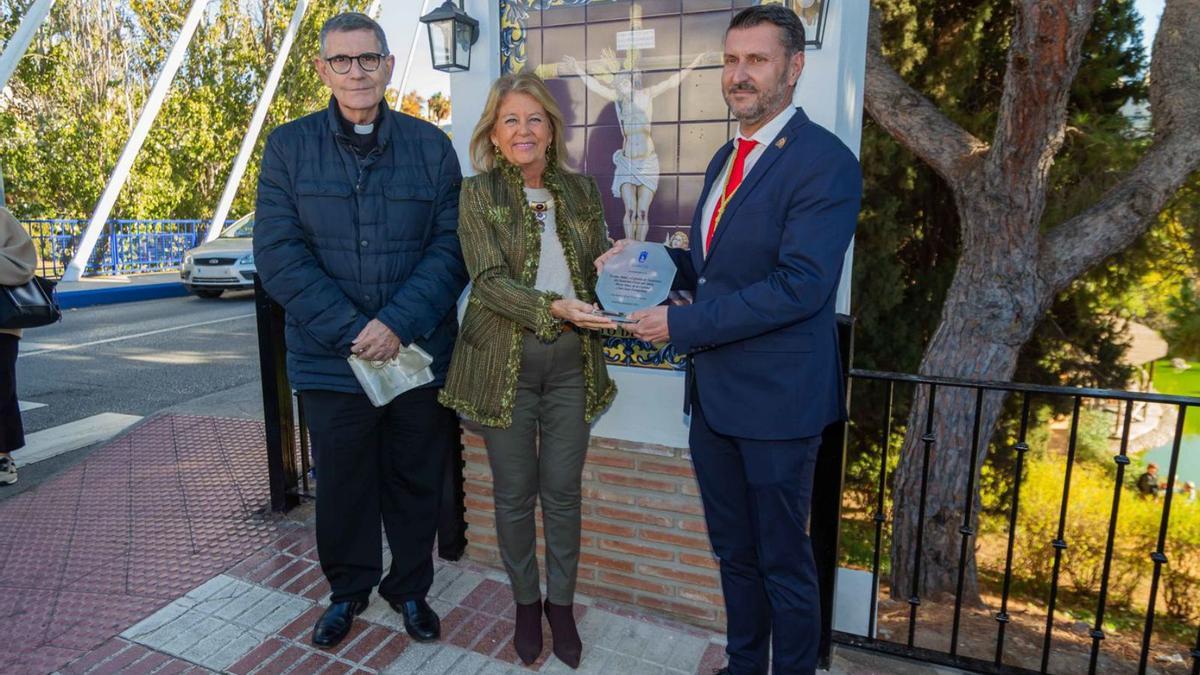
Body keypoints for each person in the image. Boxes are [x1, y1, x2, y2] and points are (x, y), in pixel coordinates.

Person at [600, 6, 861, 674]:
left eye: (757, 60)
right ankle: (745, 665)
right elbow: (714, 268)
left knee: (783, 563)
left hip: (778, 406)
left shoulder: (824, 163)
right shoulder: (727, 155)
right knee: (734, 554)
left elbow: (800, 286)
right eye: (730, 59)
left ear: (794, 67)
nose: (739, 75)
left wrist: (681, 324)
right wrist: (643, 258)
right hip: (714, 401)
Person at [253, 12, 467, 650]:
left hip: (415, 355)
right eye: (342, 61)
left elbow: (451, 247)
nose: (356, 71)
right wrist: (356, 331)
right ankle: (348, 591)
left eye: (368, 59)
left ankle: (409, 590)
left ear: (387, 65)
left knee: (413, 478)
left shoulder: (432, 148)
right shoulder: (288, 148)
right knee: (343, 485)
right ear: (321, 69)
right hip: (331, 360)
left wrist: (395, 325)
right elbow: (279, 254)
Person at [439, 72, 618, 668]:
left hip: (573, 365)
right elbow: (487, 282)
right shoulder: (476, 193)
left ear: (551, 129)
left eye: (534, 119)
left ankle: (560, 606)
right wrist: (552, 307)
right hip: (502, 367)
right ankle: (524, 602)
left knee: (562, 493)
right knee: (515, 497)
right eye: (510, 119)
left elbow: (594, 272)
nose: (523, 130)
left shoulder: (583, 189)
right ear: (494, 131)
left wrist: (618, 263)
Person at [561, 52, 706, 241]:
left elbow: (672, 82)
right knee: (630, 210)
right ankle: (630, 246)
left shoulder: (646, 95)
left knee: (642, 212)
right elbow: (595, 86)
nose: (621, 85)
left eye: (623, 81)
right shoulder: (618, 100)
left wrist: (694, 63)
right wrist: (578, 69)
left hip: (647, 162)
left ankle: (640, 247)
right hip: (627, 163)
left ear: (631, 80)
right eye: (619, 83)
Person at [0, 206, 37, 486]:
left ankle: (3, 456)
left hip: (1, 323)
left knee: (2, 390)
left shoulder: (1, 218)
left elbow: (24, 264)